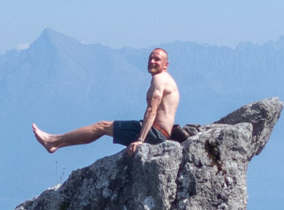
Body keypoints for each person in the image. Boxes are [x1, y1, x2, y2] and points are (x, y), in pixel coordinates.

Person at [31, 46, 180, 153]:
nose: (152, 61)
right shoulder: (165, 80)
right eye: (150, 58)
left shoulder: (160, 80)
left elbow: (151, 110)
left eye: (157, 59)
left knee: (101, 127)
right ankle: (56, 142)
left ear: (165, 65)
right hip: (157, 132)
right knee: (102, 127)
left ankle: (54, 141)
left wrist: (141, 140)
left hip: (154, 134)